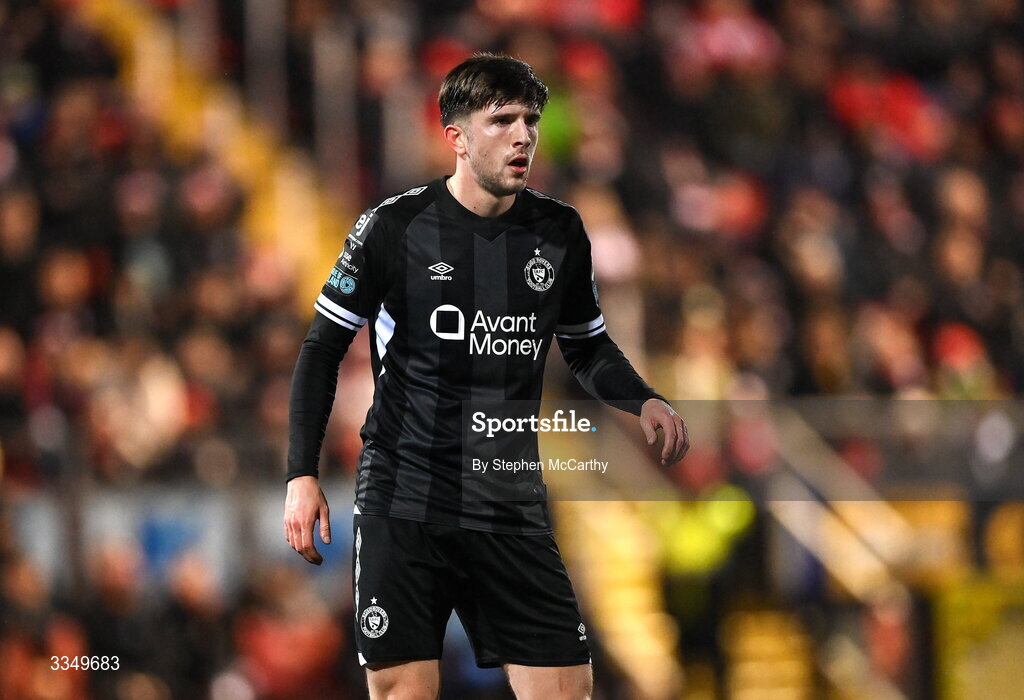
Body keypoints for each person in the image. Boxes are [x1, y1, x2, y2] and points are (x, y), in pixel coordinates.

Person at [284, 53, 688, 700]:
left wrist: (642, 400)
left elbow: (587, 349)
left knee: (567, 691)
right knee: (403, 693)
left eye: (531, 119)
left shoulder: (560, 233)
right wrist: (302, 473)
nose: (523, 134)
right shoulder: (392, 228)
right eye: (502, 120)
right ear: (457, 137)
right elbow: (320, 349)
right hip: (404, 499)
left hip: (508, 501)